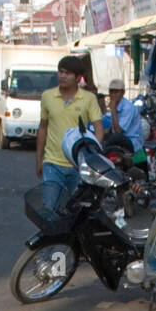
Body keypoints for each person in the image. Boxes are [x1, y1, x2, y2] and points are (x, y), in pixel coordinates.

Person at [36, 55, 103, 213]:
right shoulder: (47, 96)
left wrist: (90, 156)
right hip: (52, 163)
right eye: (60, 72)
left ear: (78, 77)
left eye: (67, 73)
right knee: (48, 209)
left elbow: (98, 130)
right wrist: (39, 159)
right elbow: (43, 128)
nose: (62, 76)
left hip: (78, 166)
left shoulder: (88, 99)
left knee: (78, 212)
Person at [101, 78, 146, 163]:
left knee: (109, 142)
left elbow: (118, 131)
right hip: (121, 140)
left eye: (116, 92)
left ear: (122, 93)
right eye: (111, 92)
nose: (113, 95)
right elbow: (112, 127)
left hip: (132, 142)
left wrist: (113, 110)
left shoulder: (127, 108)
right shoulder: (116, 105)